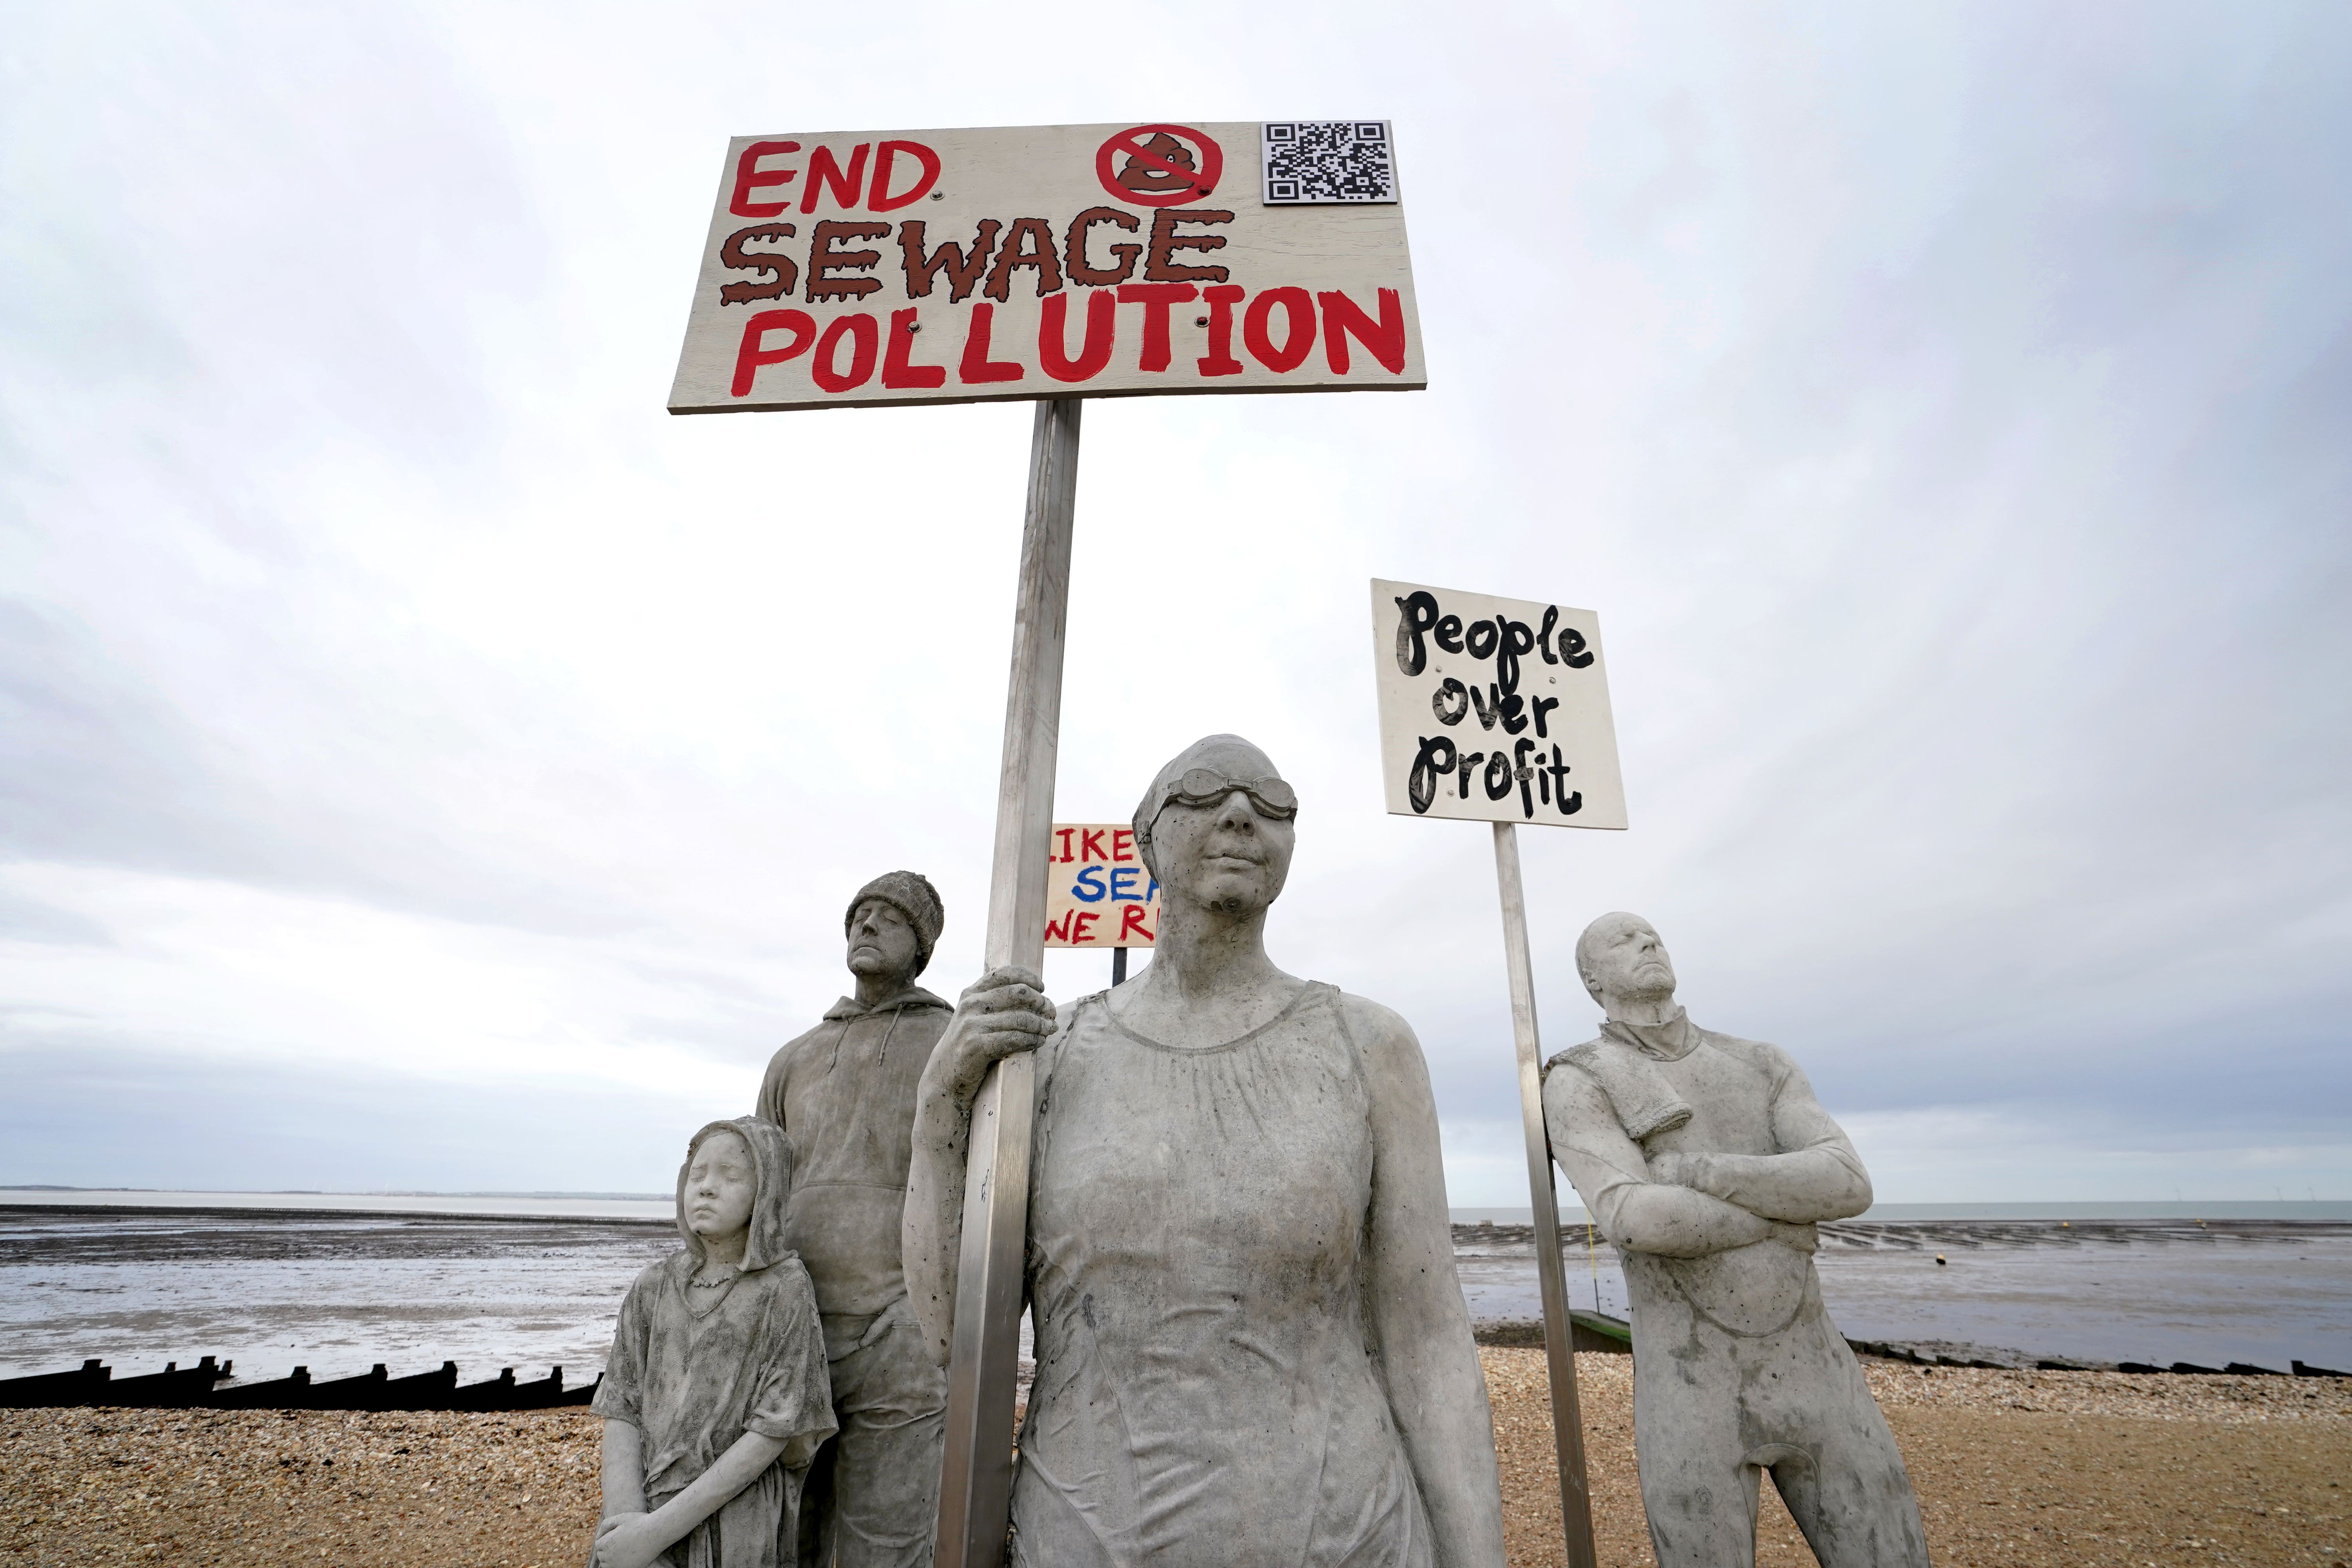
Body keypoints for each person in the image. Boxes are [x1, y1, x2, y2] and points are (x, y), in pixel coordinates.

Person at [905, 735, 1508, 1568]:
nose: (1240, 813)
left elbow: (1431, 1341)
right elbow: (955, 1334)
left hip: (1343, 1531)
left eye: (1273, 803)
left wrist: (1477, 1554)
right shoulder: (1052, 1053)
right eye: (1204, 791)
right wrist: (940, 1108)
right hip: (1092, 1531)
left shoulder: (1369, 1043)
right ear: (1148, 836)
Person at [1541, 913, 1929, 1568]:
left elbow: (1846, 1181)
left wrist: (1707, 1172)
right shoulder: (1581, 1077)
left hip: (1819, 1372)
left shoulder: (1760, 1063)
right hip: (1692, 1388)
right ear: (1592, 977)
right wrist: (1783, 1216)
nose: (1648, 943)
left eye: (1653, 934)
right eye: (1624, 939)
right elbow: (1636, 1217)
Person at [755, 872, 953, 1568]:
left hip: (900, 1331)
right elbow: (761, 1195)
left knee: (888, 1538)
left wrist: (934, 1316)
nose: (866, 926)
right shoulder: (795, 1058)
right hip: (793, 1332)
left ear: (922, 946)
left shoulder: (952, 1041)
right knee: (786, 1528)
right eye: (858, 916)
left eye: (889, 919)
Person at [591, 1118, 837, 1568]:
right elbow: (621, 1407)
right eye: (698, 1174)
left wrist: (656, 1533)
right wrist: (628, 1524)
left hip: (734, 1517)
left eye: (731, 1176)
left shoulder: (783, 1287)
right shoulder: (653, 1285)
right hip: (641, 1506)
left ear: (766, 1193)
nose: (706, 1188)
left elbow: (773, 1429)